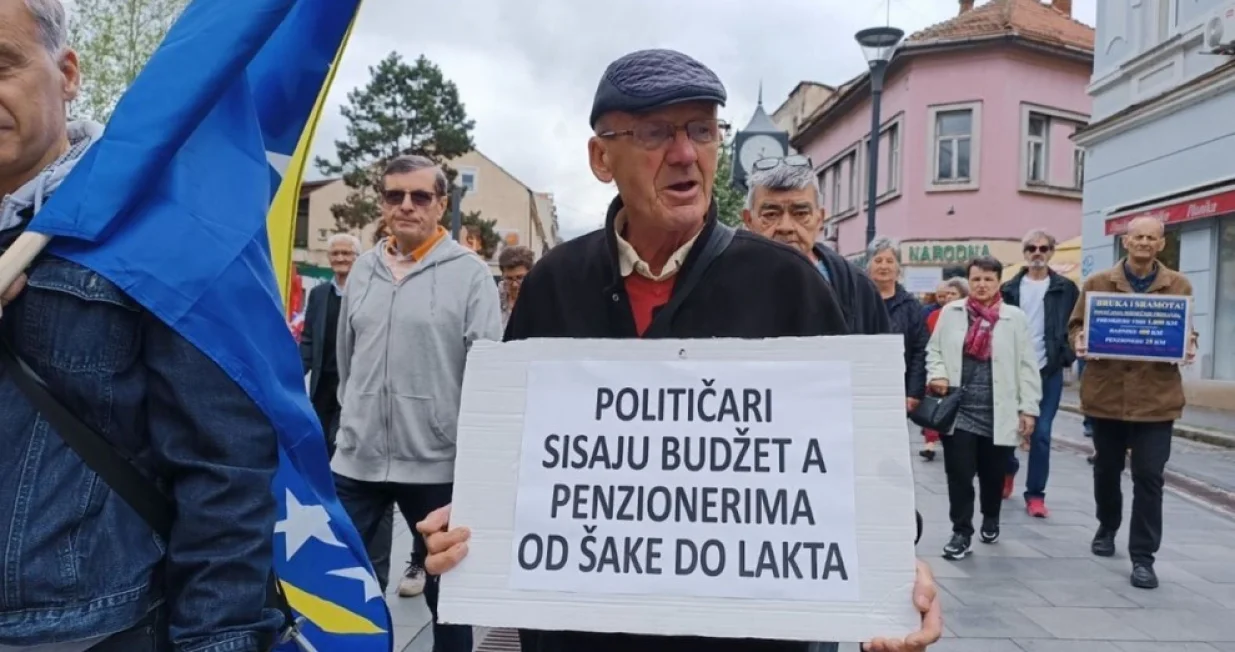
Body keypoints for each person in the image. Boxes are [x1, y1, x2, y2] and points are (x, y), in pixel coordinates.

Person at [415, 48, 941, 652]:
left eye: (701, 129)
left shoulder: (787, 283)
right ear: (600, 157)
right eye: (654, 132)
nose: (686, 152)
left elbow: (857, 463)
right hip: (580, 634)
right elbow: (524, 458)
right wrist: (470, 518)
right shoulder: (554, 282)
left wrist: (898, 564)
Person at [0, 0, 280, 648]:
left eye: (2, 64)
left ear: (67, 73)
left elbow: (225, 471)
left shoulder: (159, 233)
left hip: (88, 633)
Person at [332, 154, 502, 651]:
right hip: (358, 460)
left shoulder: (470, 275)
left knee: (445, 596)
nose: (406, 205)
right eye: (394, 195)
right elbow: (347, 357)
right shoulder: (362, 271)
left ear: (441, 204)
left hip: (436, 463)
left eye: (420, 196)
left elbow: (484, 371)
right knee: (343, 583)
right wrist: (354, 419)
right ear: (383, 203)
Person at [1068, 216, 1197, 590]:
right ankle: (1107, 524)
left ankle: (1143, 557)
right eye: (1137, 236)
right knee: (1106, 470)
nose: (1143, 242)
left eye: (1150, 237)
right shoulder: (1097, 283)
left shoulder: (1179, 284)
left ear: (1160, 244)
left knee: (1149, 476)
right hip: (1108, 396)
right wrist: (1079, 340)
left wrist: (1189, 343)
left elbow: (1184, 327)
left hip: (1156, 399)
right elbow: (1076, 325)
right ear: (1126, 242)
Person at [926, 256, 1040, 561]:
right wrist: (936, 373)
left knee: (992, 474)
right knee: (959, 474)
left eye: (988, 279)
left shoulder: (1014, 318)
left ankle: (991, 516)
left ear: (998, 282)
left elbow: (1028, 366)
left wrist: (1028, 409)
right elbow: (934, 350)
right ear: (969, 281)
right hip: (959, 408)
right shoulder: (951, 312)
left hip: (998, 410)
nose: (981, 285)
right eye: (976, 279)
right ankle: (961, 531)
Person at [740, 157, 890, 335]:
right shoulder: (724, 284)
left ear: (820, 219)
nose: (786, 227)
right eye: (771, 214)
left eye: (801, 213)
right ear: (749, 220)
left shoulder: (858, 289)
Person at [1000, 229, 1079, 517]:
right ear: (1024, 252)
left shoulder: (1066, 288)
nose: (1037, 253)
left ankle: (1035, 495)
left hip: (1049, 369)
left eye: (1043, 248)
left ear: (1051, 252)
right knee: (1008, 430)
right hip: (1013, 369)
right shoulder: (1009, 288)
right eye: (1031, 248)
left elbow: (1076, 324)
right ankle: (1008, 470)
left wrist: (1065, 355)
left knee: (1042, 433)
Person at [300, 233, 361, 458]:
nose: (340, 258)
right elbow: (308, 339)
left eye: (346, 253)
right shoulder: (318, 294)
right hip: (323, 383)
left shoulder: (367, 293)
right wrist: (294, 375)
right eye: (335, 253)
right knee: (320, 441)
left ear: (357, 257)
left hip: (353, 383)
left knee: (340, 442)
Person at [866, 238, 928, 415]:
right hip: (862, 384)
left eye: (890, 261)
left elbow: (920, 350)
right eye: (878, 261)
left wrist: (914, 392)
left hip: (898, 387)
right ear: (869, 265)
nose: (884, 266)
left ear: (898, 268)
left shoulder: (911, 306)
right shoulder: (856, 300)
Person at [920, 278, 968, 461]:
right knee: (934, 407)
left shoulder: (972, 315)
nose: (947, 297)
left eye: (952, 294)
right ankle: (930, 444)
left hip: (962, 374)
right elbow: (929, 343)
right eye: (944, 294)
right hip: (939, 371)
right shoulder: (934, 315)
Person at [498, 244, 535, 328]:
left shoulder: (541, 301)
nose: (514, 285)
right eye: (509, 278)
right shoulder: (494, 300)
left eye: (520, 278)